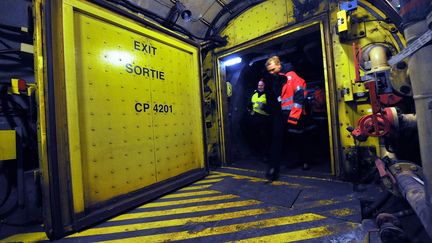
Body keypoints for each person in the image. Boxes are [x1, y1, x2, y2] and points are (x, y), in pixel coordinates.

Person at [264, 56, 309, 181]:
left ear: (279, 65)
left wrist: (294, 117)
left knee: (300, 137)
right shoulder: (276, 79)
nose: (271, 72)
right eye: (269, 71)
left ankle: (305, 160)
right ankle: (273, 169)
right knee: (276, 139)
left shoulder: (292, 76)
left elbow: (300, 96)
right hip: (282, 114)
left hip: (295, 115)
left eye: (273, 69)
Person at [247, 80, 271, 162]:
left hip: (264, 119)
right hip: (254, 118)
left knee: (265, 139)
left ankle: (266, 156)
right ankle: (257, 154)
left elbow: (272, 108)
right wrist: (249, 108)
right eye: (259, 85)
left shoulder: (268, 95)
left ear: (265, 86)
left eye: (261, 85)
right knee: (256, 137)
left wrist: (265, 107)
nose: (260, 87)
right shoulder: (254, 94)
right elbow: (250, 104)